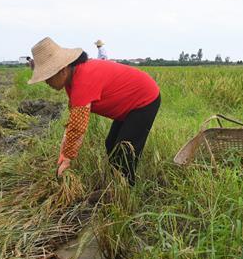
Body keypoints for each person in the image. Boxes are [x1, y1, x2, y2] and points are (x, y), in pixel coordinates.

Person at [28, 37, 160, 186]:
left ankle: (125, 191)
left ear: (63, 70)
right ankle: (117, 184)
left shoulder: (83, 79)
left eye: (48, 77)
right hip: (130, 104)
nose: (47, 82)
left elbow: (78, 127)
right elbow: (74, 120)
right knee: (111, 144)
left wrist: (67, 159)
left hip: (144, 99)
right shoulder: (71, 81)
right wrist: (63, 152)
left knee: (124, 150)